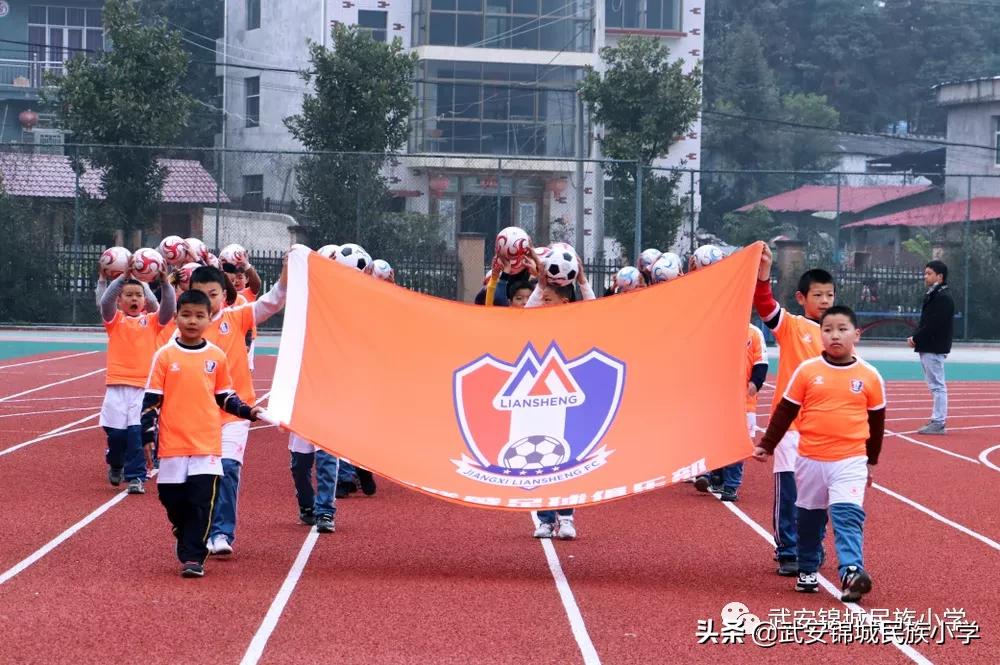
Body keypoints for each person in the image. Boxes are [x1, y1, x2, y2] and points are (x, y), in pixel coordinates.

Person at [753, 306, 886, 603]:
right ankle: (808, 568)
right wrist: (768, 444)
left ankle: (851, 571)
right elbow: (786, 410)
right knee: (810, 520)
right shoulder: (808, 371)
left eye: (842, 329)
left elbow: (876, 423)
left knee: (846, 516)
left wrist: (871, 461)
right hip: (811, 459)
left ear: (857, 335)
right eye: (828, 330)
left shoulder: (870, 376)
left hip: (850, 460)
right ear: (821, 335)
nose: (834, 335)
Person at [165, 264, 287, 557]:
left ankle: (221, 532)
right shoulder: (181, 332)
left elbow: (273, 300)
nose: (208, 299)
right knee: (191, 483)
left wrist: (286, 274)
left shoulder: (238, 317)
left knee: (228, 469)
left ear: (224, 295)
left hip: (235, 412)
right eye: (201, 293)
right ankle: (192, 527)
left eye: (214, 293)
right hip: (197, 417)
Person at [141, 289, 261, 578]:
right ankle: (183, 529)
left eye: (199, 315)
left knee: (201, 501)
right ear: (176, 318)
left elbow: (226, 397)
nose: (192, 321)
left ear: (209, 319)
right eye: (186, 315)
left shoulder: (216, 356)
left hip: (207, 443)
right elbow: (151, 402)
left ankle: (193, 557)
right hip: (173, 443)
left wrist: (248, 411)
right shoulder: (165, 356)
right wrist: (147, 436)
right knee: (171, 498)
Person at [753, 244, 834, 577]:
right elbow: (765, 306)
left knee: (820, 495)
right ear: (802, 298)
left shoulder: (837, 334)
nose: (826, 301)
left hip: (825, 429)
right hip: (790, 427)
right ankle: (787, 549)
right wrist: (763, 274)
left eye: (830, 295)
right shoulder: (792, 326)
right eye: (818, 295)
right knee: (789, 490)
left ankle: (811, 545)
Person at [527, 266, 597, 540]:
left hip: (570, 400)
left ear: (564, 302)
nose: (541, 303)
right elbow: (525, 313)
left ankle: (566, 517)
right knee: (541, 459)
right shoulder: (537, 324)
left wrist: (582, 281)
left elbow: (595, 312)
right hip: (540, 402)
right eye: (541, 299)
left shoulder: (576, 323)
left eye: (547, 299)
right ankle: (545, 519)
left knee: (566, 459)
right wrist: (540, 284)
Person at [98, 267, 174, 494]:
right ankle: (116, 463)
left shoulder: (152, 322)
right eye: (128, 295)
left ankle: (136, 477)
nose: (134, 298)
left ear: (145, 300)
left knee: (136, 434)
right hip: (116, 387)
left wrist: (164, 284)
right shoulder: (114, 320)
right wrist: (123, 277)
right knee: (117, 435)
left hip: (142, 388)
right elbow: (105, 302)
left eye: (138, 295)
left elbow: (168, 309)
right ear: (120, 300)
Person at [694, 323, 768, 501]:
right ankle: (714, 476)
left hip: (744, 402)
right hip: (718, 400)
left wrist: (755, 383)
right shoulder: (718, 329)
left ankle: (731, 485)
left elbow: (761, 363)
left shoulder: (754, 333)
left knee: (737, 443)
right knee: (715, 438)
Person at [907, 260, 954, 435]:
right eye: (925, 273)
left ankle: (939, 422)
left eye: (929, 273)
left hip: (934, 347)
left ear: (939, 277)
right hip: (930, 345)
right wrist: (918, 338)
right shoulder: (935, 295)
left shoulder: (943, 298)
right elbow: (927, 321)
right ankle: (937, 420)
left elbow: (934, 324)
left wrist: (916, 338)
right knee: (935, 385)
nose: (925, 276)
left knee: (937, 386)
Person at [288, 434, 340, 533]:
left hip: (328, 423)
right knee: (299, 466)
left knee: (327, 462)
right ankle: (306, 504)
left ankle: (325, 512)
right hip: (302, 422)